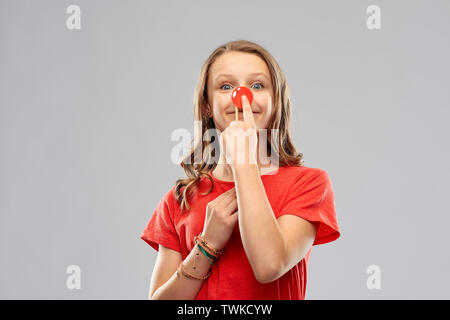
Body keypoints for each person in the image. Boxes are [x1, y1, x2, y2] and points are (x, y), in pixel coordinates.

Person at [140, 40, 341, 300]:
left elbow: (270, 265)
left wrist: (244, 161)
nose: (241, 96)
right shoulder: (178, 200)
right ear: (207, 105)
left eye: (257, 85)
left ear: (275, 100)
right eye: (226, 86)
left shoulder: (308, 184)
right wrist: (207, 244)